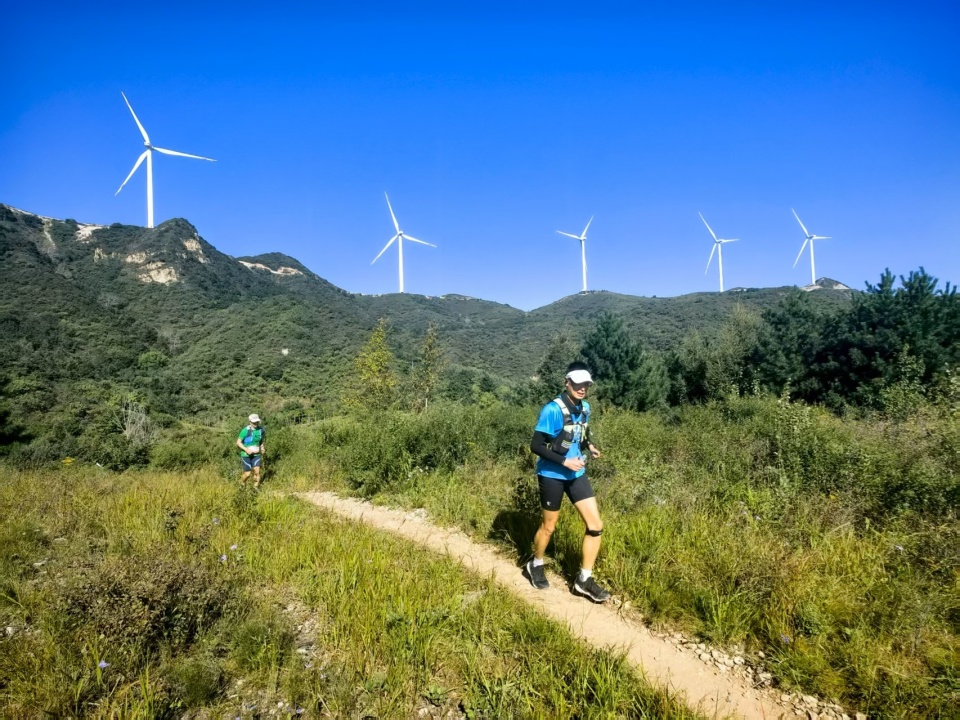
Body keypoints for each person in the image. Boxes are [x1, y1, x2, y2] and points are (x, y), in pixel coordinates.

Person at [525, 362, 611, 602]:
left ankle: (584, 580)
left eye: (586, 384)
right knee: (549, 526)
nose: (582, 388)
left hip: (576, 474)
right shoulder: (552, 410)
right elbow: (535, 445)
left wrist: (589, 446)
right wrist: (564, 463)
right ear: (567, 382)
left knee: (595, 525)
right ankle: (536, 563)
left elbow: (580, 432)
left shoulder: (585, 408)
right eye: (577, 383)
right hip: (552, 475)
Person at [236, 413, 265, 487]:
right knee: (247, 474)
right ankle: (242, 484)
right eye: (254, 422)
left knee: (257, 472)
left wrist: (262, 448)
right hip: (246, 454)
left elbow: (261, 441)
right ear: (250, 421)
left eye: (257, 422)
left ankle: (255, 488)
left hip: (256, 454)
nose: (255, 423)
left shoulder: (261, 430)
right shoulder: (245, 431)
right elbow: (238, 442)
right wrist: (246, 449)